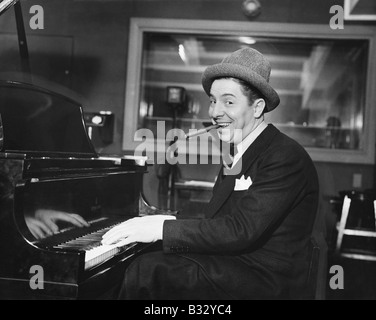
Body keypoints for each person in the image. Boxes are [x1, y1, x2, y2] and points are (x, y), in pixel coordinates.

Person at [101, 47, 319, 300]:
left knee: (148, 271)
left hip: (265, 281)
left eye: (228, 101)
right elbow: (219, 223)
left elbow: (240, 231)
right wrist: (159, 229)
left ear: (257, 108)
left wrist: (162, 227)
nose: (215, 112)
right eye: (213, 101)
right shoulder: (237, 151)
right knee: (148, 257)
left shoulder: (284, 155)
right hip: (238, 263)